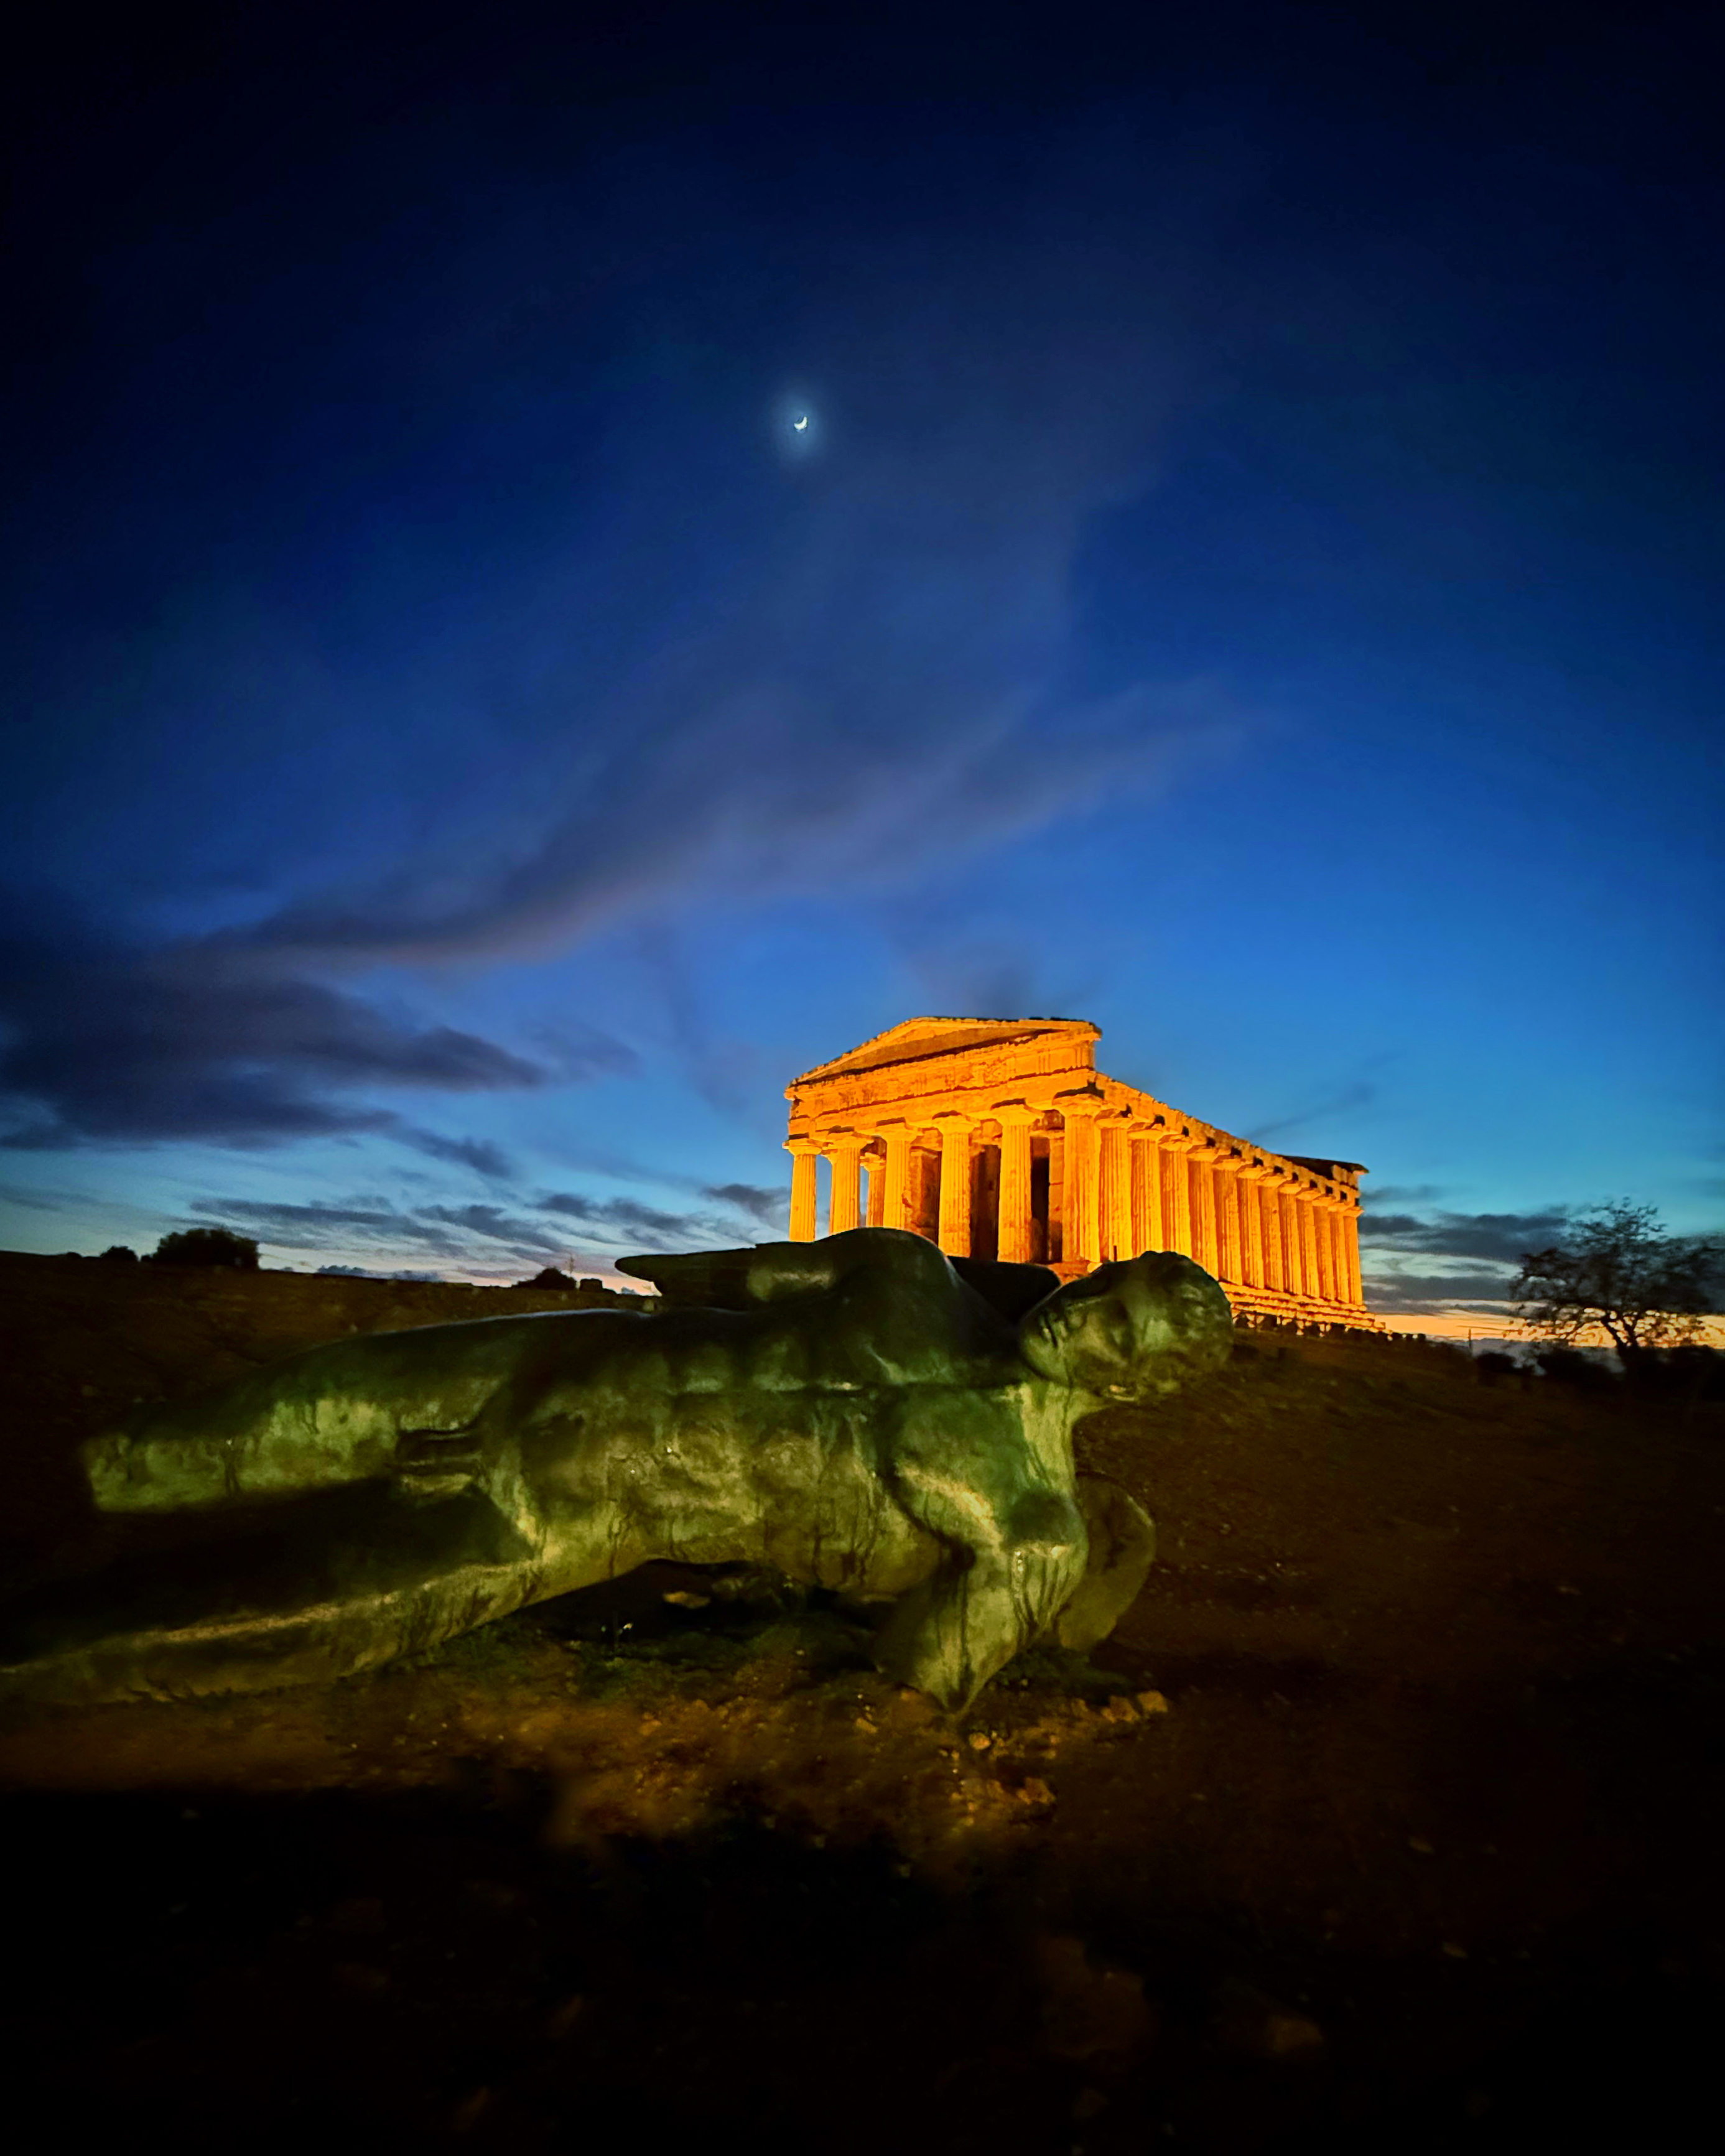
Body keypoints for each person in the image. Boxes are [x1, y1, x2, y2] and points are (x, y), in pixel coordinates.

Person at [2, 1230, 1232, 1710]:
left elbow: (900, 1696)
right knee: (153, 1453)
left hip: (552, 1519)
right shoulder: (910, 1273)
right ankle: (71, 1506)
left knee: (201, 1629)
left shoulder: (1032, 1528)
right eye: (1101, 1288)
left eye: (1121, 1332)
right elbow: (714, 1276)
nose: (1086, 1316)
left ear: (1145, 1387)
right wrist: (657, 1268)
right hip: (527, 1367)